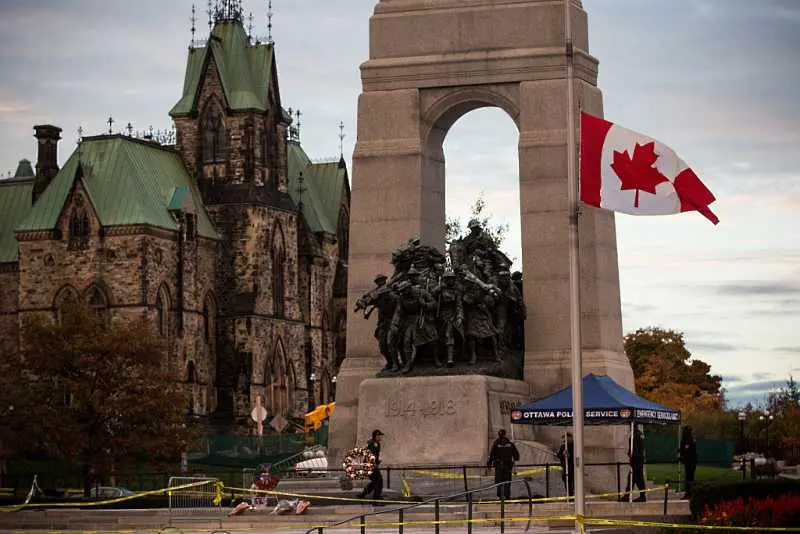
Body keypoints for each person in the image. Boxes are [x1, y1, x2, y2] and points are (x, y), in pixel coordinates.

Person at [488, 429, 520, 499]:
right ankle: (507, 496)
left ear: (499, 435)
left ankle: (499, 497)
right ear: (505, 434)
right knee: (507, 482)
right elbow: (516, 456)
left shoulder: (496, 443)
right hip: (508, 466)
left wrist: (489, 465)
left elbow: (491, 455)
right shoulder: (510, 444)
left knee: (499, 482)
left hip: (499, 466)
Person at [620, 425, 647, 502]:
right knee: (632, 478)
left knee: (637, 478)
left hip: (636, 459)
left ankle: (640, 496)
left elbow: (635, 449)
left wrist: (631, 455)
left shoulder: (635, 436)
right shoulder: (640, 435)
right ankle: (628, 495)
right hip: (639, 459)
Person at [359, 429, 384, 503]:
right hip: (370, 466)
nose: (381, 437)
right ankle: (376, 500)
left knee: (375, 482)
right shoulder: (374, 444)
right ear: (376, 436)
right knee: (379, 482)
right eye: (379, 436)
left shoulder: (375, 443)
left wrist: (377, 461)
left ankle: (363, 494)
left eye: (381, 436)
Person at [678, 425, 698, 499]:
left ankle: (689, 493)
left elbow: (687, 450)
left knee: (689, 478)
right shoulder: (691, 439)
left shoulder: (688, 439)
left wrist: (682, 456)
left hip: (690, 462)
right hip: (692, 461)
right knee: (691, 478)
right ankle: (690, 493)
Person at [556, 433, 575, 498]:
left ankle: (573, 497)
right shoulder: (563, 446)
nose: (565, 441)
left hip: (573, 468)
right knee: (567, 484)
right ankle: (569, 497)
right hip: (565, 468)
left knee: (573, 484)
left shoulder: (575, 446)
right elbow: (558, 455)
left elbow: (576, 457)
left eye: (567, 438)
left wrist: (569, 456)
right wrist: (563, 454)